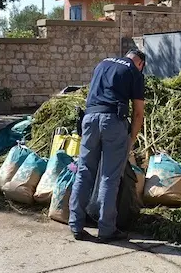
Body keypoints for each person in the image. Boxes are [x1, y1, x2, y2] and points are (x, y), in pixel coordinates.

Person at [69, 49, 146, 243]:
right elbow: (138, 113)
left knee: (84, 171)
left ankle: (76, 225)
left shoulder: (102, 64)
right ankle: (106, 229)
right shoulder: (134, 72)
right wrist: (131, 139)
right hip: (113, 122)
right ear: (140, 64)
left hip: (89, 119)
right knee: (110, 177)